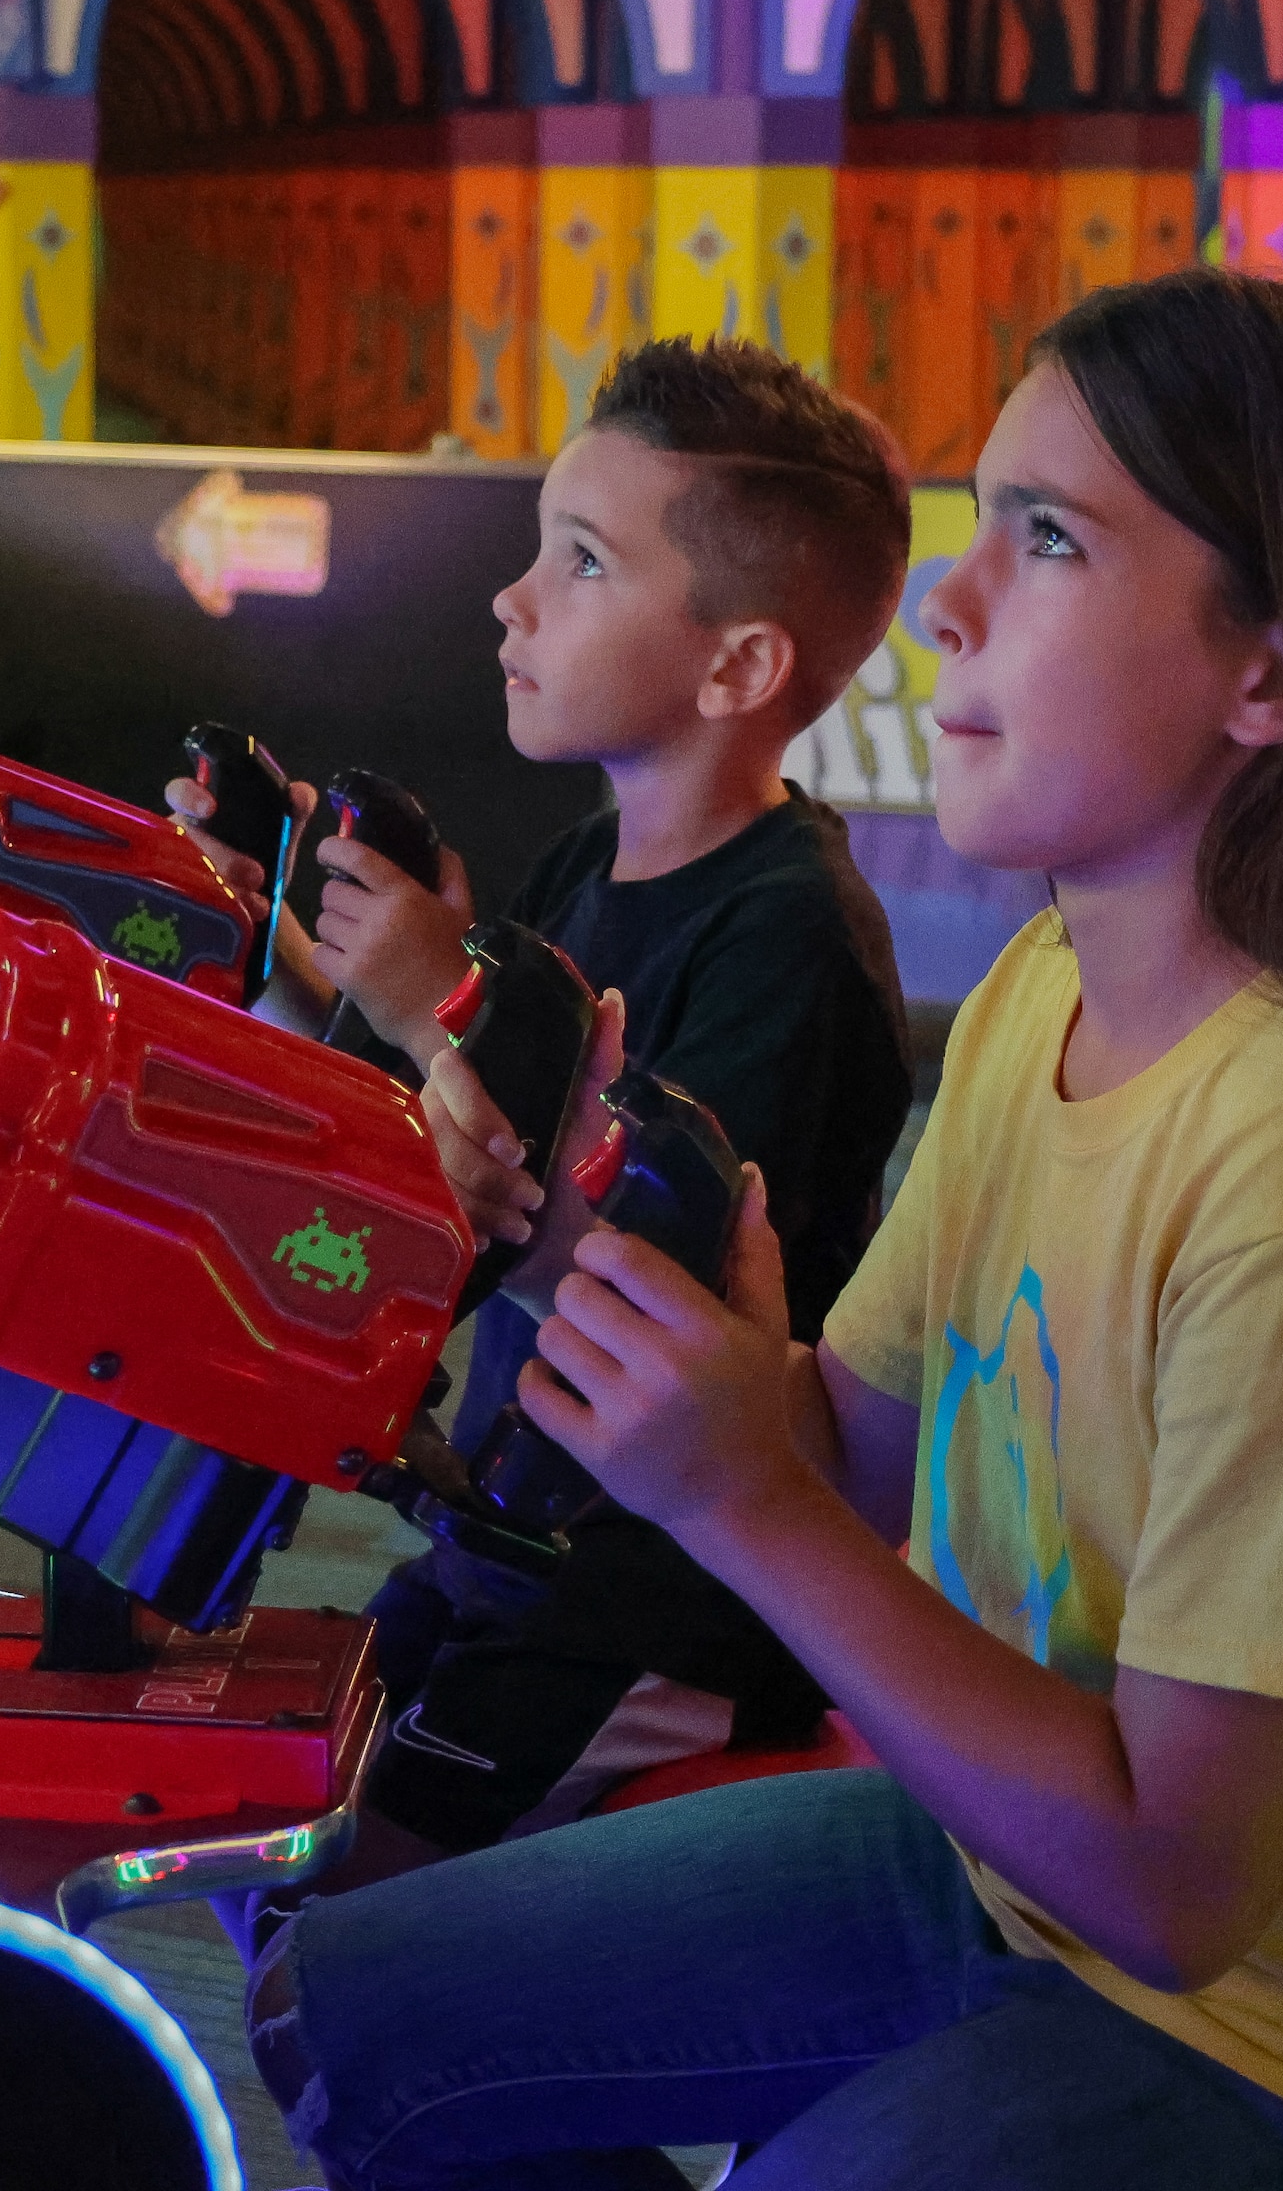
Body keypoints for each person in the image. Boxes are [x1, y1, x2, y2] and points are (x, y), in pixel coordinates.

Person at [250, 272, 1283, 2191]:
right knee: (353, 2002)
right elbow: (858, 1454)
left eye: (1046, 540)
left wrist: (740, 1504)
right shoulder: (1048, 993)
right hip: (1007, 1876)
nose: (947, 611)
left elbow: (1181, 1884)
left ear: (1276, 675)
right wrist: (578, 1264)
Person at [168, 336, 917, 1855]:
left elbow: (654, 1292)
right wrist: (278, 954)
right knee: (261, 1790)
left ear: (740, 666)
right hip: (508, 1539)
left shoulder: (790, 934)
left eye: (579, 563)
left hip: (661, 1602)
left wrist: (432, 998)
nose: (512, 601)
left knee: (352, 1884)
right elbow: (421, 1157)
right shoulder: (589, 866)